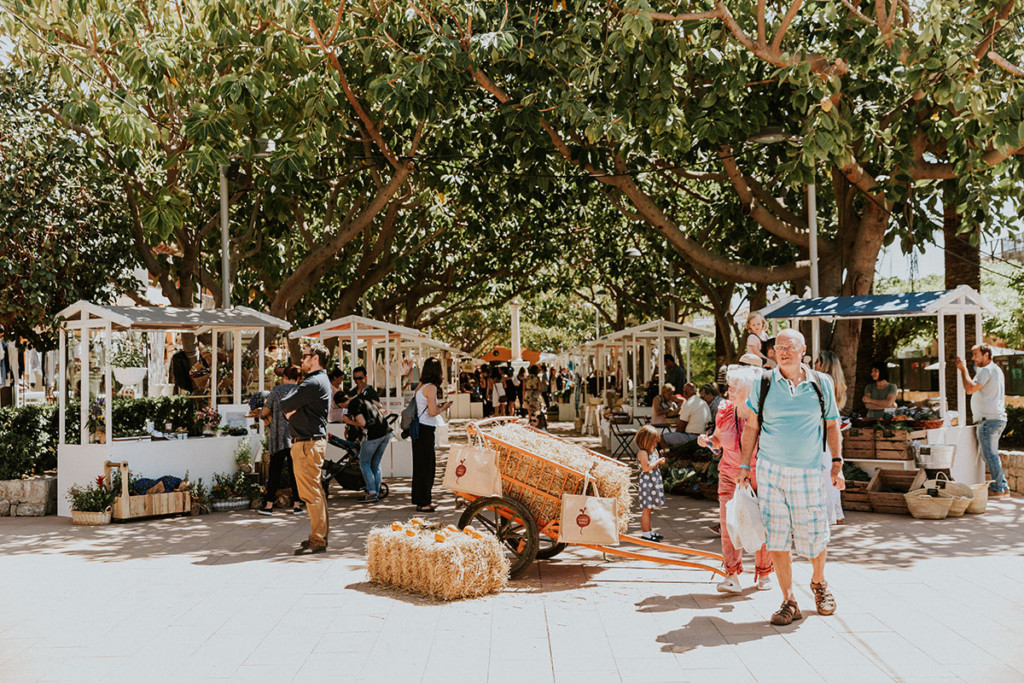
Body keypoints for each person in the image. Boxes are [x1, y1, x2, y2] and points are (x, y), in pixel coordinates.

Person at [739, 329, 842, 625]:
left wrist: (836, 463)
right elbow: (751, 426)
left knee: (814, 534)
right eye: (779, 347)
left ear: (803, 350)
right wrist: (745, 465)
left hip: (808, 471)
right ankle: (789, 600)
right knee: (777, 535)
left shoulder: (821, 382)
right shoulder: (764, 382)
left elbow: (832, 425)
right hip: (770, 470)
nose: (783, 351)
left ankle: (819, 584)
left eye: (790, 346)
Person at [698, 365, 774, 593]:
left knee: (762, 525)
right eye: (729, 386)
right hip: (729, 476)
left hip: (759, 477)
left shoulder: (764, 414)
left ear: (748, 390)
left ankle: (764, 572)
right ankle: (731, 575)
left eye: (733, 387)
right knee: (728, 525)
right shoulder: (724, 411)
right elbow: (717, 441)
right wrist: (708, 442)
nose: (728, 391)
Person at [280, 344, 333, 555]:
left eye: (305, 356)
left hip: (307, 444)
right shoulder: (320, 380)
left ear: (315, 358)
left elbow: (285, 405)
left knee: (311, 493)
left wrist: (291, 412)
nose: (302, 360)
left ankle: (318, 540)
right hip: (310, 443)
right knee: (315, 491)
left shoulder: (313, 382)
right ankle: (319, 537)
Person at [957, 344, 1010, 497]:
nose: (973, 358)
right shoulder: (995, 369)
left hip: (989, 420)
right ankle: (1003, 486)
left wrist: (963, 369)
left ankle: (999, 488)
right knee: (989, 454)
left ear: (986, 355)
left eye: (975, 354)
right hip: (995, 419)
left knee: (990, 455)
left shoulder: (987, 370)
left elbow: (970, 389)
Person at [258, 365, 304, 516]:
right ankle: (297, 505)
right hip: (295, 437)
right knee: (295, 472)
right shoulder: (300, 391)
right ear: (298, 378)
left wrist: (262, 413)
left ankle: (269, 506)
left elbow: (264, 411)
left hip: (278, 437)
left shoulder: (276, 391)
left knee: (274, 472)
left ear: (284, 377)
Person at [344, 376, 393, 503]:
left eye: (360, 378)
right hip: (385, 431)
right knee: (375, 463)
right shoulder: (364, 398)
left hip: (374, 434)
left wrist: (348, 421)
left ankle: (371, 492)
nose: (357, 381)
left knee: (364, 463)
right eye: (355, 379)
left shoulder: (353, 404)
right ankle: (376, 490)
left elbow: (362, 423)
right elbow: (379, 405)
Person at [412, 357, 451, 512]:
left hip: (418, 429)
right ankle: (424, 502)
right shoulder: (432, 388)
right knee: (428, 466)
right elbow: (432, 412)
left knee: (420, 465)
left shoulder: (420, 386)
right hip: (426, 429)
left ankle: (421, 499)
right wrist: (444, 407)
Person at [815, 351, 848, 525]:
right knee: (831, 472)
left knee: (825, 474)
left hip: (822, 430)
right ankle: (836, 511)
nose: (814, 364)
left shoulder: (822, 381)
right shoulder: (835, 383)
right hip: (829, 430)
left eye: (817, 361)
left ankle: (829, 513)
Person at [634, 425, 666, 542]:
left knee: (649, 509)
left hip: (652, 483)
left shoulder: (651, 452)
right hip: (647, 484)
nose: (655, 445)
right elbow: (646, 468)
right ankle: (646, 533)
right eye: (654, 442)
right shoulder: (643, 453)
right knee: (646, 510)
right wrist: (657, 461)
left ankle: (650, 531)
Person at [660, 383, 711, 454]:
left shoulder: (689, 403)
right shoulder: (703, 402)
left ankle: (668, 456)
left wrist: (675, 434)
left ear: (685, 392)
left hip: (691, 438)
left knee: (661, 437)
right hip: (703, 436)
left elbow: (681, 427)